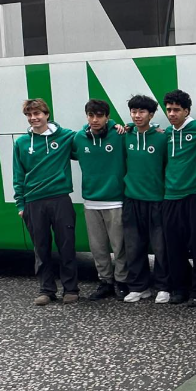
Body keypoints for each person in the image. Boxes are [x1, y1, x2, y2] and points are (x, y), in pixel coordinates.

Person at [13, 98, 78, 306]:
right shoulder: (22, 143)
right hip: (33, 202)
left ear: (47, 114)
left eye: (37, 114)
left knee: (66, 246)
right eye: (29, 115)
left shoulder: (66, 136)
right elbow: (18, 175)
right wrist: (20, 205)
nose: (34, 118)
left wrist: (117, 126)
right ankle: (46, 290)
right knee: (41, 249)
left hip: (60, 199)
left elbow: (91, 136)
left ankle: (71, 289)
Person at [159, 89, 196, 306]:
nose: (172, 114)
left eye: (176, 110)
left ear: (187, 111)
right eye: (169, 110)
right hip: (170, 196)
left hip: (195, 196)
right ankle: (180, 289)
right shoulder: (166, 133)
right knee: (174, 246)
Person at [71, 99, 129, 301]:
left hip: (115, 201)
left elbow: (143, 131)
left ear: (107, 117)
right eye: (91, 115)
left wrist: (119, 126)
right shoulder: (79, 138)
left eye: (99, 116)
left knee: (119, 246)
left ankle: (122, 281)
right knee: (98, 248)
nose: (95, 120)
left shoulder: (119, 134)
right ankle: (105, 281)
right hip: (91, 202)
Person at [121, 94, 170, 304]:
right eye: (133, 111)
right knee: (133, 246)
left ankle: (163, 286)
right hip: (132, 199)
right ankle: (139, 287)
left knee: (160, 246)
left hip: (157, 199)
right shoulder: (126, 135)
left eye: (141, 112)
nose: (137, 115)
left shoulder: (162, 136)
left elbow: (168, 166)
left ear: (151, 114)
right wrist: (118, 125)